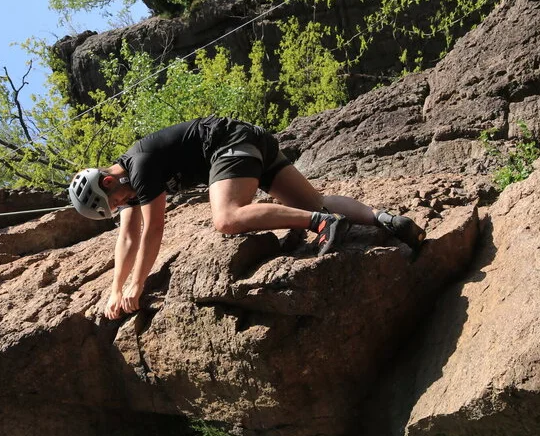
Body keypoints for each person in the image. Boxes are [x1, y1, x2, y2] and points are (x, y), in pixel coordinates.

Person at [68, 116, 426, 320]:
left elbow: (153, 229)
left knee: (227, 217)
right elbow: (128, 236)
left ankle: (322, 224)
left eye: (114, 201)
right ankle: (384, 219)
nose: (121, 205)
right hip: (251, 141)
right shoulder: (128, 182)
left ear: (109, 181)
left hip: (230, 145)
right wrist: (115, 290)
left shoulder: (140, 167)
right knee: (315, 201)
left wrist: (137, 284)